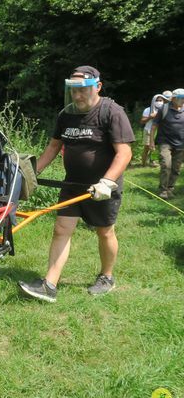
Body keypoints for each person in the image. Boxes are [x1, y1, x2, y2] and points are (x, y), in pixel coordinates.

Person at [18, 66, 134, 302]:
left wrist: (107, 181)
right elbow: (53, 146)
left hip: (103, 188)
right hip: (72, 184)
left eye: (83, 91)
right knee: (61, 229)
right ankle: (49, 285)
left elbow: (124, 153)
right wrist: (32, 173)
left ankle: (107, 276)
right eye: (74, 91)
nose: (78, 96)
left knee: (104, 231)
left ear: (98, 87)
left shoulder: (111, 112)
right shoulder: (66, 115)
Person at [150, 88, 184, 199]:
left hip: (181, 143)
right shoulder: (163, 109)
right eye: (181, 98)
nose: (183, 100)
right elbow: (154, 125)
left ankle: (170, 188)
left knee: (176, 168)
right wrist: (151, 141)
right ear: (173, 99)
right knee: (166, 165)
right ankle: (163, 190)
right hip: (165, 142)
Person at [140, 94, 166, 167]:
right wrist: (150, 117)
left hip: (161, 131)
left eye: (160, 100)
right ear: (153, 101)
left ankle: (155, 162)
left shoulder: (165, 110)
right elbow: (142, 121)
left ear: (164, 101)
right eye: (157, 100)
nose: (158, 102)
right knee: (147, 148)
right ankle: (143, 164)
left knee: (160, 148)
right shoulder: (148, 110)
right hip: (148, 130)